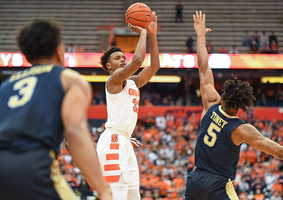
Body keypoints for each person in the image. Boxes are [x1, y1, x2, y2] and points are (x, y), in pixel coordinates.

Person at [0, 19, 112, 200]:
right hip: (29, 163)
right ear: (59, 50)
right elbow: (74, 131)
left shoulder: (1, 91)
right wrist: (103, 190)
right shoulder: (69, 79)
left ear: (26, 55)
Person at [184, 11, 283, 200]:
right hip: (218, 186)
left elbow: (203, 67)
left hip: (195, 180)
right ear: (242, 107)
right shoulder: (242, 129)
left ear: (223, 98)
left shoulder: (211, 102)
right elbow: (278, 151)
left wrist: (201, 35)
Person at [96, 12, 160, 200]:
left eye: (124, 57)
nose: (123, 59)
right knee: (118, 195)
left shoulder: (131, 82)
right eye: (117, 58)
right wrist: (142, 33)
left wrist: (153, 34)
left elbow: (154, 66)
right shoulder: (113, 80)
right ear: (109, 66)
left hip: (125, 141)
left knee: (133, 196)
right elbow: (138, 61)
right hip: (113, 140)